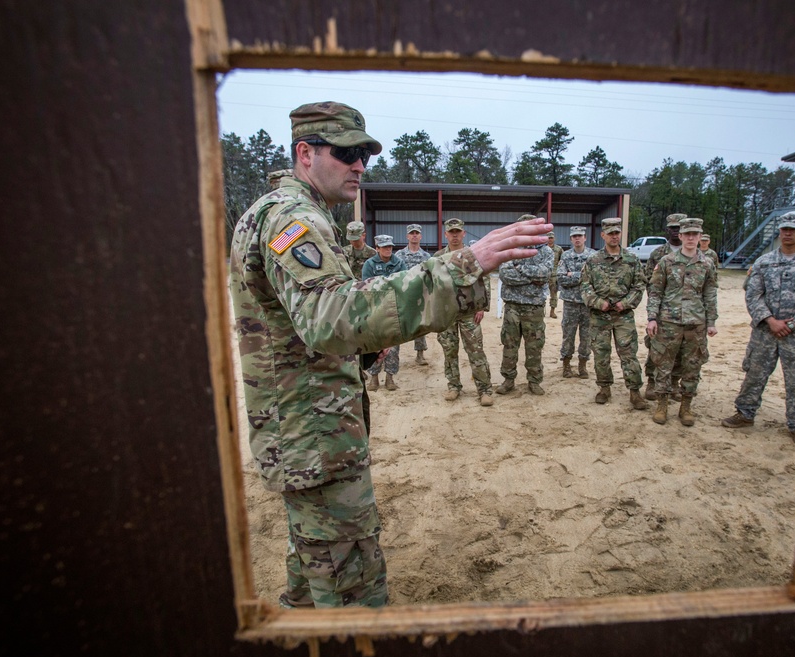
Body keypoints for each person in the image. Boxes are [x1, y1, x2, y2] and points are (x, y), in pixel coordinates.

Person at [229, 100, 553, 610]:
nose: (361, 165)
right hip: (315, 440)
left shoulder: (278, 213)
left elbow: (296, 327)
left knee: (312, 576)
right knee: (352, 593)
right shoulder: (291, 219)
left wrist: (363, 348)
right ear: (305, 153)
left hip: (305, 431)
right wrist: (466, 265)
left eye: (366, 155)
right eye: (348, 152)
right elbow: (329, 317)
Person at [721, 210, 795, 447]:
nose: (788, 233)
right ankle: (745, 413)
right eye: (784, 229)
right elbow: (753, 295)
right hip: (765, 332)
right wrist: (770, 320)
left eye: (793, 229)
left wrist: (793, 323)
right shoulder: (764, 262)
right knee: (754, 373)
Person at [646, 218, 719, 426]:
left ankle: (686, 407)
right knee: (664, 364)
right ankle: (662, 404)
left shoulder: (707, 263)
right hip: (668, 322)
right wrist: (652, 318)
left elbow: (710, 293)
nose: (690, 238)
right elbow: (655, 292)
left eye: (694, 234)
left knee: (692, 366)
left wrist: (711, 321)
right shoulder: (667, 261)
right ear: (680, 236)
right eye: (687, 234)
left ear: (700, 237)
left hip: (696, 324)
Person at [580, 218, 648, 409]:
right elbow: (585, 286)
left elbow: (639, 285)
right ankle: (604, 388)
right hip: (599, 315)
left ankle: (635, 392)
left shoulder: (631, 260)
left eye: (617, 233)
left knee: (628, 355)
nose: (614, 236)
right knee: (601, 354)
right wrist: (598, 303)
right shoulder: (593, 260)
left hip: (623, 315)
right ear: (603, 235)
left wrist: (625, 303)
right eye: (610, 233)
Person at [435, 218, 494, 406]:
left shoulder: (472, 255)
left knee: (476, 351)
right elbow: (432, 286)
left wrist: (483, 307)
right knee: (450, 351)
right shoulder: (438, 257)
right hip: (447, 313)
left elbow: (485, 281)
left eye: (457, 232)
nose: (454, 235)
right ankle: (454, 386)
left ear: (463, 233)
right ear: (445, 234)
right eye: (451, 232)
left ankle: (484, 390)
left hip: (469, 311)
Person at [496, 214, 554, 396]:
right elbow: (505, 275)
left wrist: (520, 268)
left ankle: (534, 381)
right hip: (512, 307)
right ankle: (508, 380)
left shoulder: (546, 252)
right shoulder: (510, 249)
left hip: (534, 308)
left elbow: (544, 275)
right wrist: (532, 278)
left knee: (534, 346)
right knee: (509, 345)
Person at [644, 213, 687, 400]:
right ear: (667, 230)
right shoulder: (658, 254)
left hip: (687, 313)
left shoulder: (699, 255)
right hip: (662, 311)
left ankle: (674, 383)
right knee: (656, 347)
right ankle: (652, 382)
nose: (676, 231)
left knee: (681, 349)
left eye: (679, 228)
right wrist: (655, 310)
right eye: (673, 228)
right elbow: (649, 282)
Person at [362, 235, 409, 391]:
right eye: (384, 247)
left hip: (394, 309)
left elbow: (404, 283)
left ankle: (390, 377)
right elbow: (367, 286)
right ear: (377, 248)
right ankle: (374, 378)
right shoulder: (369, 264)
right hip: (375, 310)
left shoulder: (399, 263)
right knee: (374, 343)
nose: (388, 249)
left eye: (390, 246)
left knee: (393, 345)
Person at [556, 225, 596, 379]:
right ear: (571, 239)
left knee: (586, 337)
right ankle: (566, 365)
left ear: (585, 237)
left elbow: (595, 279)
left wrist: (573, 274)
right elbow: (561, 278)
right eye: (574, 236)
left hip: (588, 303)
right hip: (570, 303)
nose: (577, 238)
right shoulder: (565, 256)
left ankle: (582, 365)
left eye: (580, 236)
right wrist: (583, 276)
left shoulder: (593, 256)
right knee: (568, 335)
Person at [395, 223, 432, 365]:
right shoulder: (399, 255)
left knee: (420, 325)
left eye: (417, 233)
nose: (414, 235)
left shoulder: (426, 256)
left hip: (419, 296)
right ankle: (394, 357)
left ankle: (420, 354)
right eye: (412, 233)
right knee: (398, 324)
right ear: (407, 236)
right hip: (403, 295)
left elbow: (429, 276)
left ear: (421, 236)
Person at [547, 231, 563, 318]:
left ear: (554, 238)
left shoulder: (558, 249)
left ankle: (552, 311)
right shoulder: (542, 249)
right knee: (540, 293)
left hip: (554, 275)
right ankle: (541, 311)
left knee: (553, 294)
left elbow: (563, 259)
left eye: (551, 238)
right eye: (549, 238)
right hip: (544, 274)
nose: (550, 239)